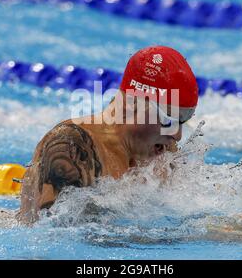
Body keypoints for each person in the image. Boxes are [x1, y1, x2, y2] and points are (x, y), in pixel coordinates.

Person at [18, 45, 199, 224]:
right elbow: (52, 234)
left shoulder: (162, 151)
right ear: (131, 103)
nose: (177, 135)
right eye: (170, 119)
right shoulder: (74, 145)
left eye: (183, 121)